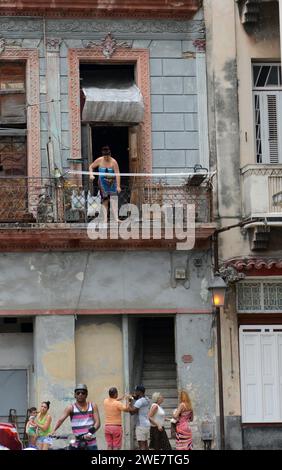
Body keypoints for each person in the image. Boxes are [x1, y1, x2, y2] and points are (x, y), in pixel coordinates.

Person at [52, 384, 100, 450]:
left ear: (86, 394)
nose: (80, 394)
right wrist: (53, 430)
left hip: (91, 444)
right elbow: (60, 420)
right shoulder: (71, 408)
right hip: (76, 444)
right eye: (78, 393)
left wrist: (90, 432)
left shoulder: (93, 406)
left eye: (83, 393)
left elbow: (97, 422)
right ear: (75, 395)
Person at [89, 145, 121, 222]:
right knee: (105, 200)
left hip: (112, 183)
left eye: (107, 157)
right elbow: (91, 166)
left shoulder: (114, 162)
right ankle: (105, 219)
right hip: (102, 184)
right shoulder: (99, 160)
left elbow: (117, 174)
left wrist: (118, 186)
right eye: (105, 157)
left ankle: (116, 218)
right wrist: (91, 174)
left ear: (110, 155)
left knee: (113, 200)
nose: (106, 158)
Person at [128, 385, 150, 450]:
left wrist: (129, 402)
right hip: (146, 424)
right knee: (146, 444)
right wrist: (133, 397)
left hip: (140, 425)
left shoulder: (139, 401)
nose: (135, 392)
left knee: (141, 446)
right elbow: (137, 398)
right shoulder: (147, 399)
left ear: (139, 392)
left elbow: (132, 412)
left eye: (136, 391)